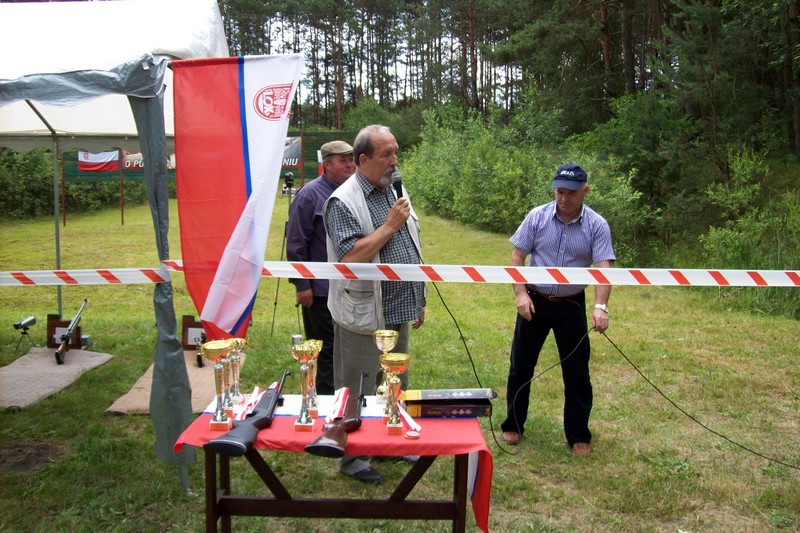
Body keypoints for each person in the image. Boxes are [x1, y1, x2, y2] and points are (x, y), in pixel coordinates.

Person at [323, 124, 426, 484]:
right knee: (357, 385)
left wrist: (419, 295)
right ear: (363, 160)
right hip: (363, 314)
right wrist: (389, 225)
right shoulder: (342, 201)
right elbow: (351, 256)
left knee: (395, 381)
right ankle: (352, 458)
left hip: (398, 307)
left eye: (395, 152)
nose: (394, 161)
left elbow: (412, 241)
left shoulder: (394, 187)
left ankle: (388, 443)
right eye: (387, 154)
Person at [500, 163, 615, 457]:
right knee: (520, 366)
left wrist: (600, 307)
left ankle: (578, 434)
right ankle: (513, 425)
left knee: (577, 372)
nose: (563, 198)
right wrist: (520, 293)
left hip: (572, 304)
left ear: (585, 192)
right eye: (559, 191)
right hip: (535, 302)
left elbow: (604, 268)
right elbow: (517, 255)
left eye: (571, 193)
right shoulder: (537, 217)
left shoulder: (597, 225)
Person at [286, 140, 356, 396]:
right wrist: (303, 285)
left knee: (347, 350)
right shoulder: (309, 195)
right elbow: (295, 243)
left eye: (352, 159)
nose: (350, 165)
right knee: (325, 352)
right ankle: (327, 404)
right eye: (343, 160)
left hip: (351, 289)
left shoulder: (355, 192)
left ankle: (347, 398)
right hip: (320, 292)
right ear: (326, 164)